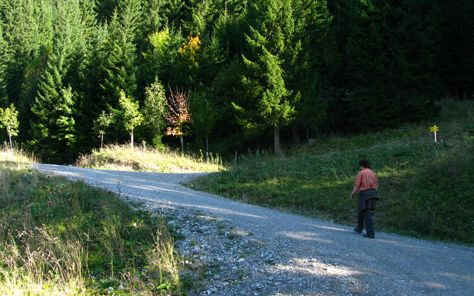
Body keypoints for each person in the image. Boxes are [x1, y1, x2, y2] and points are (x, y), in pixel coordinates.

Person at [350, 159, 379, 239]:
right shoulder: (373, 173)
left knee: (366, 212)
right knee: (362, 211)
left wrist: (352, 193)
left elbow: (357, 185)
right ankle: (359, 228)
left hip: (364, 194)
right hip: (373, 193)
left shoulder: (361, 173)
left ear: (361, 165)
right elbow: (376, 184)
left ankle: (370, 233)